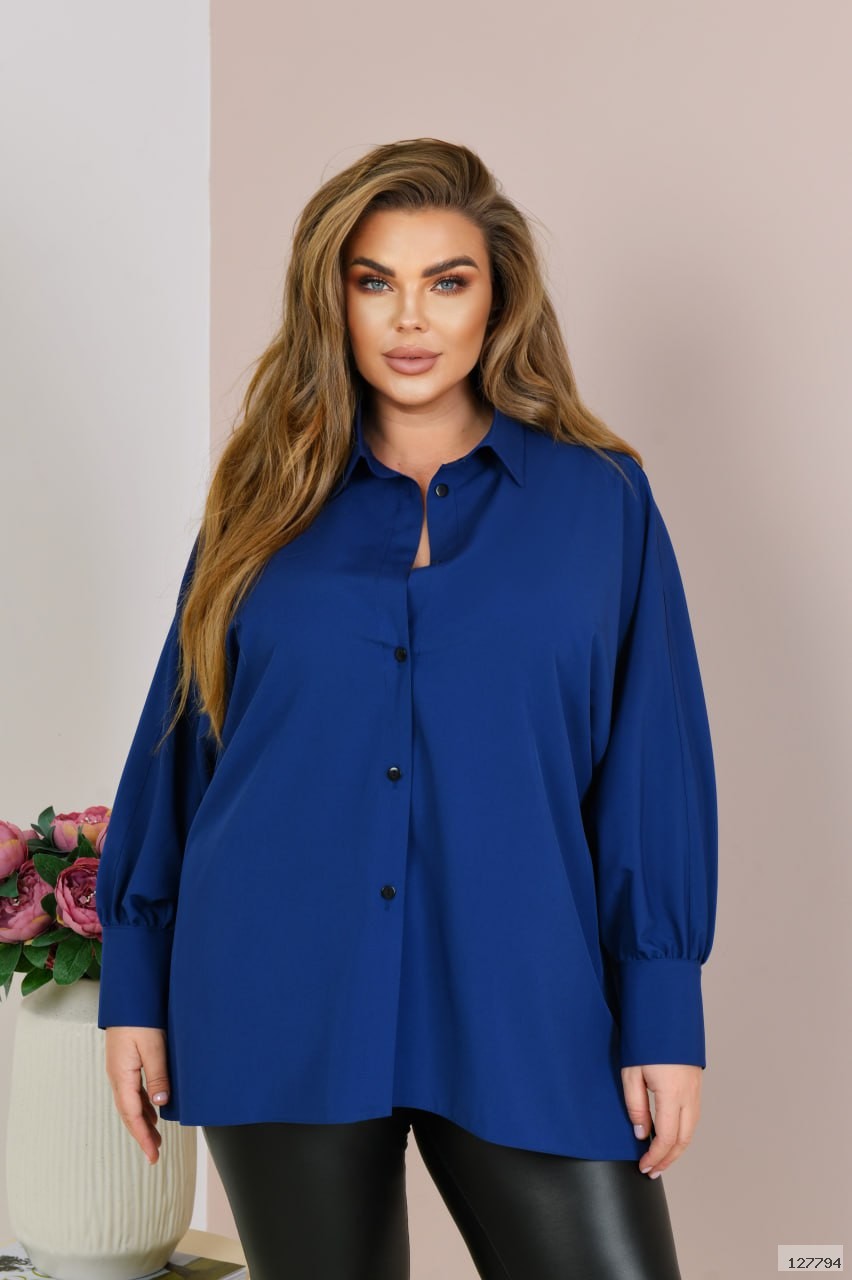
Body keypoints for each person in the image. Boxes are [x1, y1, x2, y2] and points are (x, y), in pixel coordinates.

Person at [95, 137, 718, 1279]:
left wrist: (663, 1008)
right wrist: (135, 986)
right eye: (374, 280)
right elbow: (179, 749)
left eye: (447, 280)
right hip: (278, 986)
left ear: (499, 298)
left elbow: (651, 768)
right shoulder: (260, 500)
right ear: (332, 299)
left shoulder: (600, 502)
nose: (410, 318)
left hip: (522, 990)